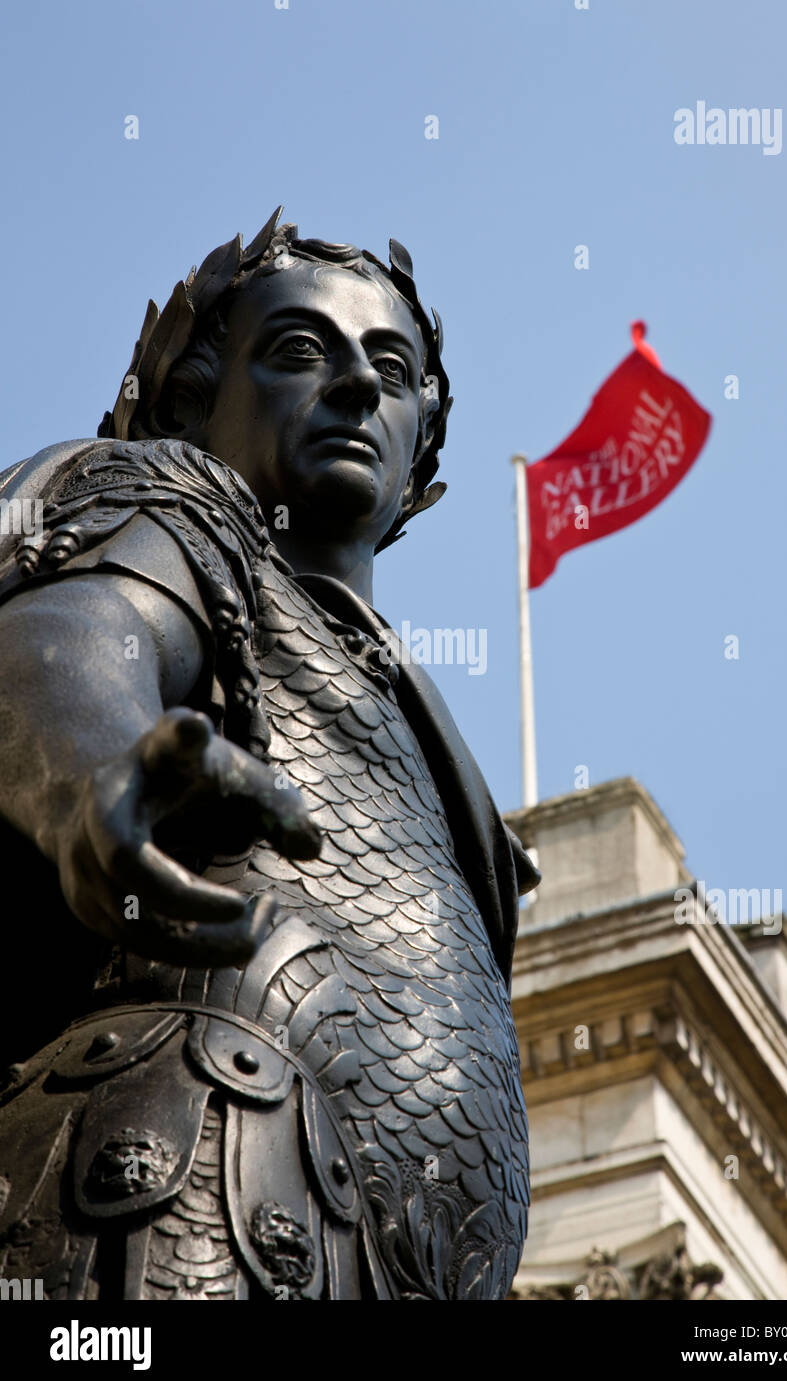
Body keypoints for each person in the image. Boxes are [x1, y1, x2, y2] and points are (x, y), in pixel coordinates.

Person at [0, 211, 538, 1301]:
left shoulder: (441, 755)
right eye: (300, 352)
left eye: (390, 368)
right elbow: (68, 639)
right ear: (195, 399)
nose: (354, 387)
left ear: (419, 440)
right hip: (190, 1177)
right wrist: (98, 772)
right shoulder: (176, 506)